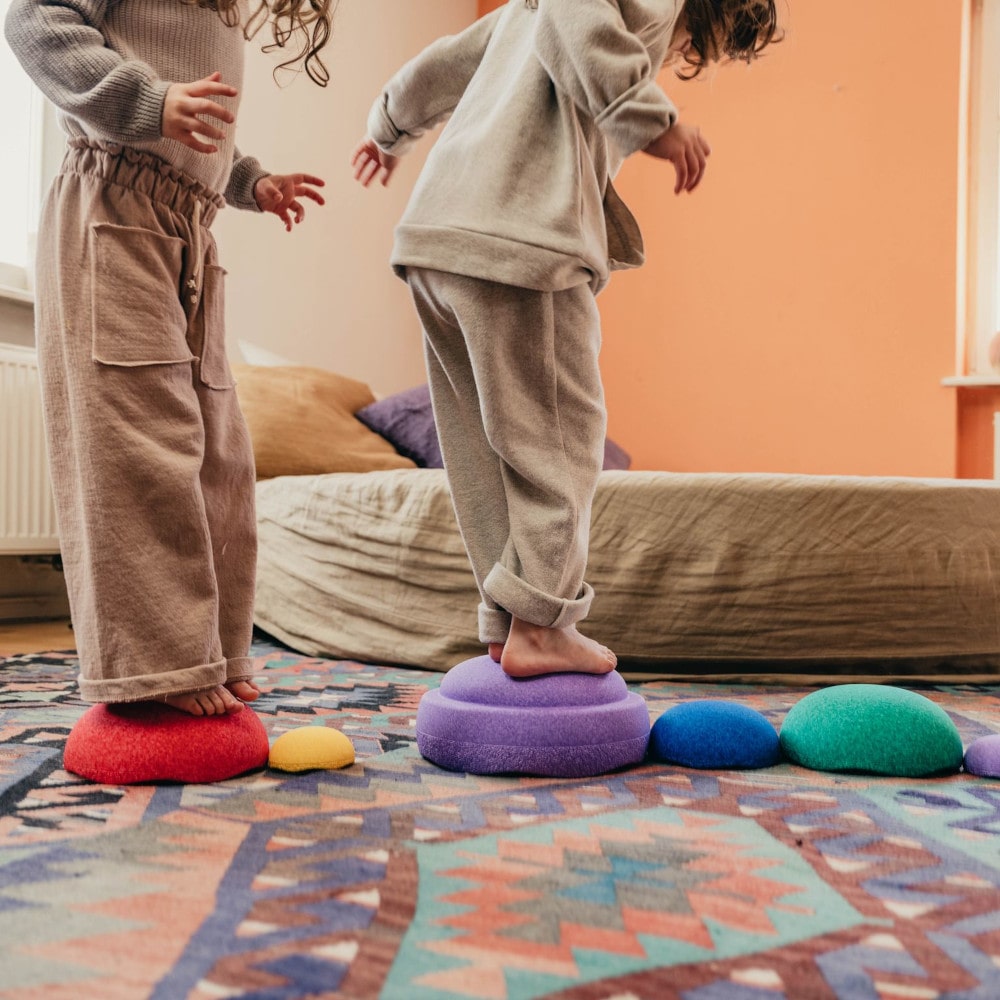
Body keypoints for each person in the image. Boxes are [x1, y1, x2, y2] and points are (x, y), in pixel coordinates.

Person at [352, 0, 780, 679]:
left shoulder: (521, 12)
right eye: (691, 48)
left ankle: (509, 626)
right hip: (520, 237)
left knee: (487, 450)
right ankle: (544, 624)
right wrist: (652, 120)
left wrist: (387, 127)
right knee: (562, 439)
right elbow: (582, 17)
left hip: (437, 236)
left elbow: (444, 64)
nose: (675, 58)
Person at [4, 0, 331, 716]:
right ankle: (161, 665)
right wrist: (147, 102)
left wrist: (249, 182)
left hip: (189, 232)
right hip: (111, 212)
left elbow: (196, 133)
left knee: (221, 457)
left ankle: (209, 648)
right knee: (140, 449)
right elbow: (31, 18)